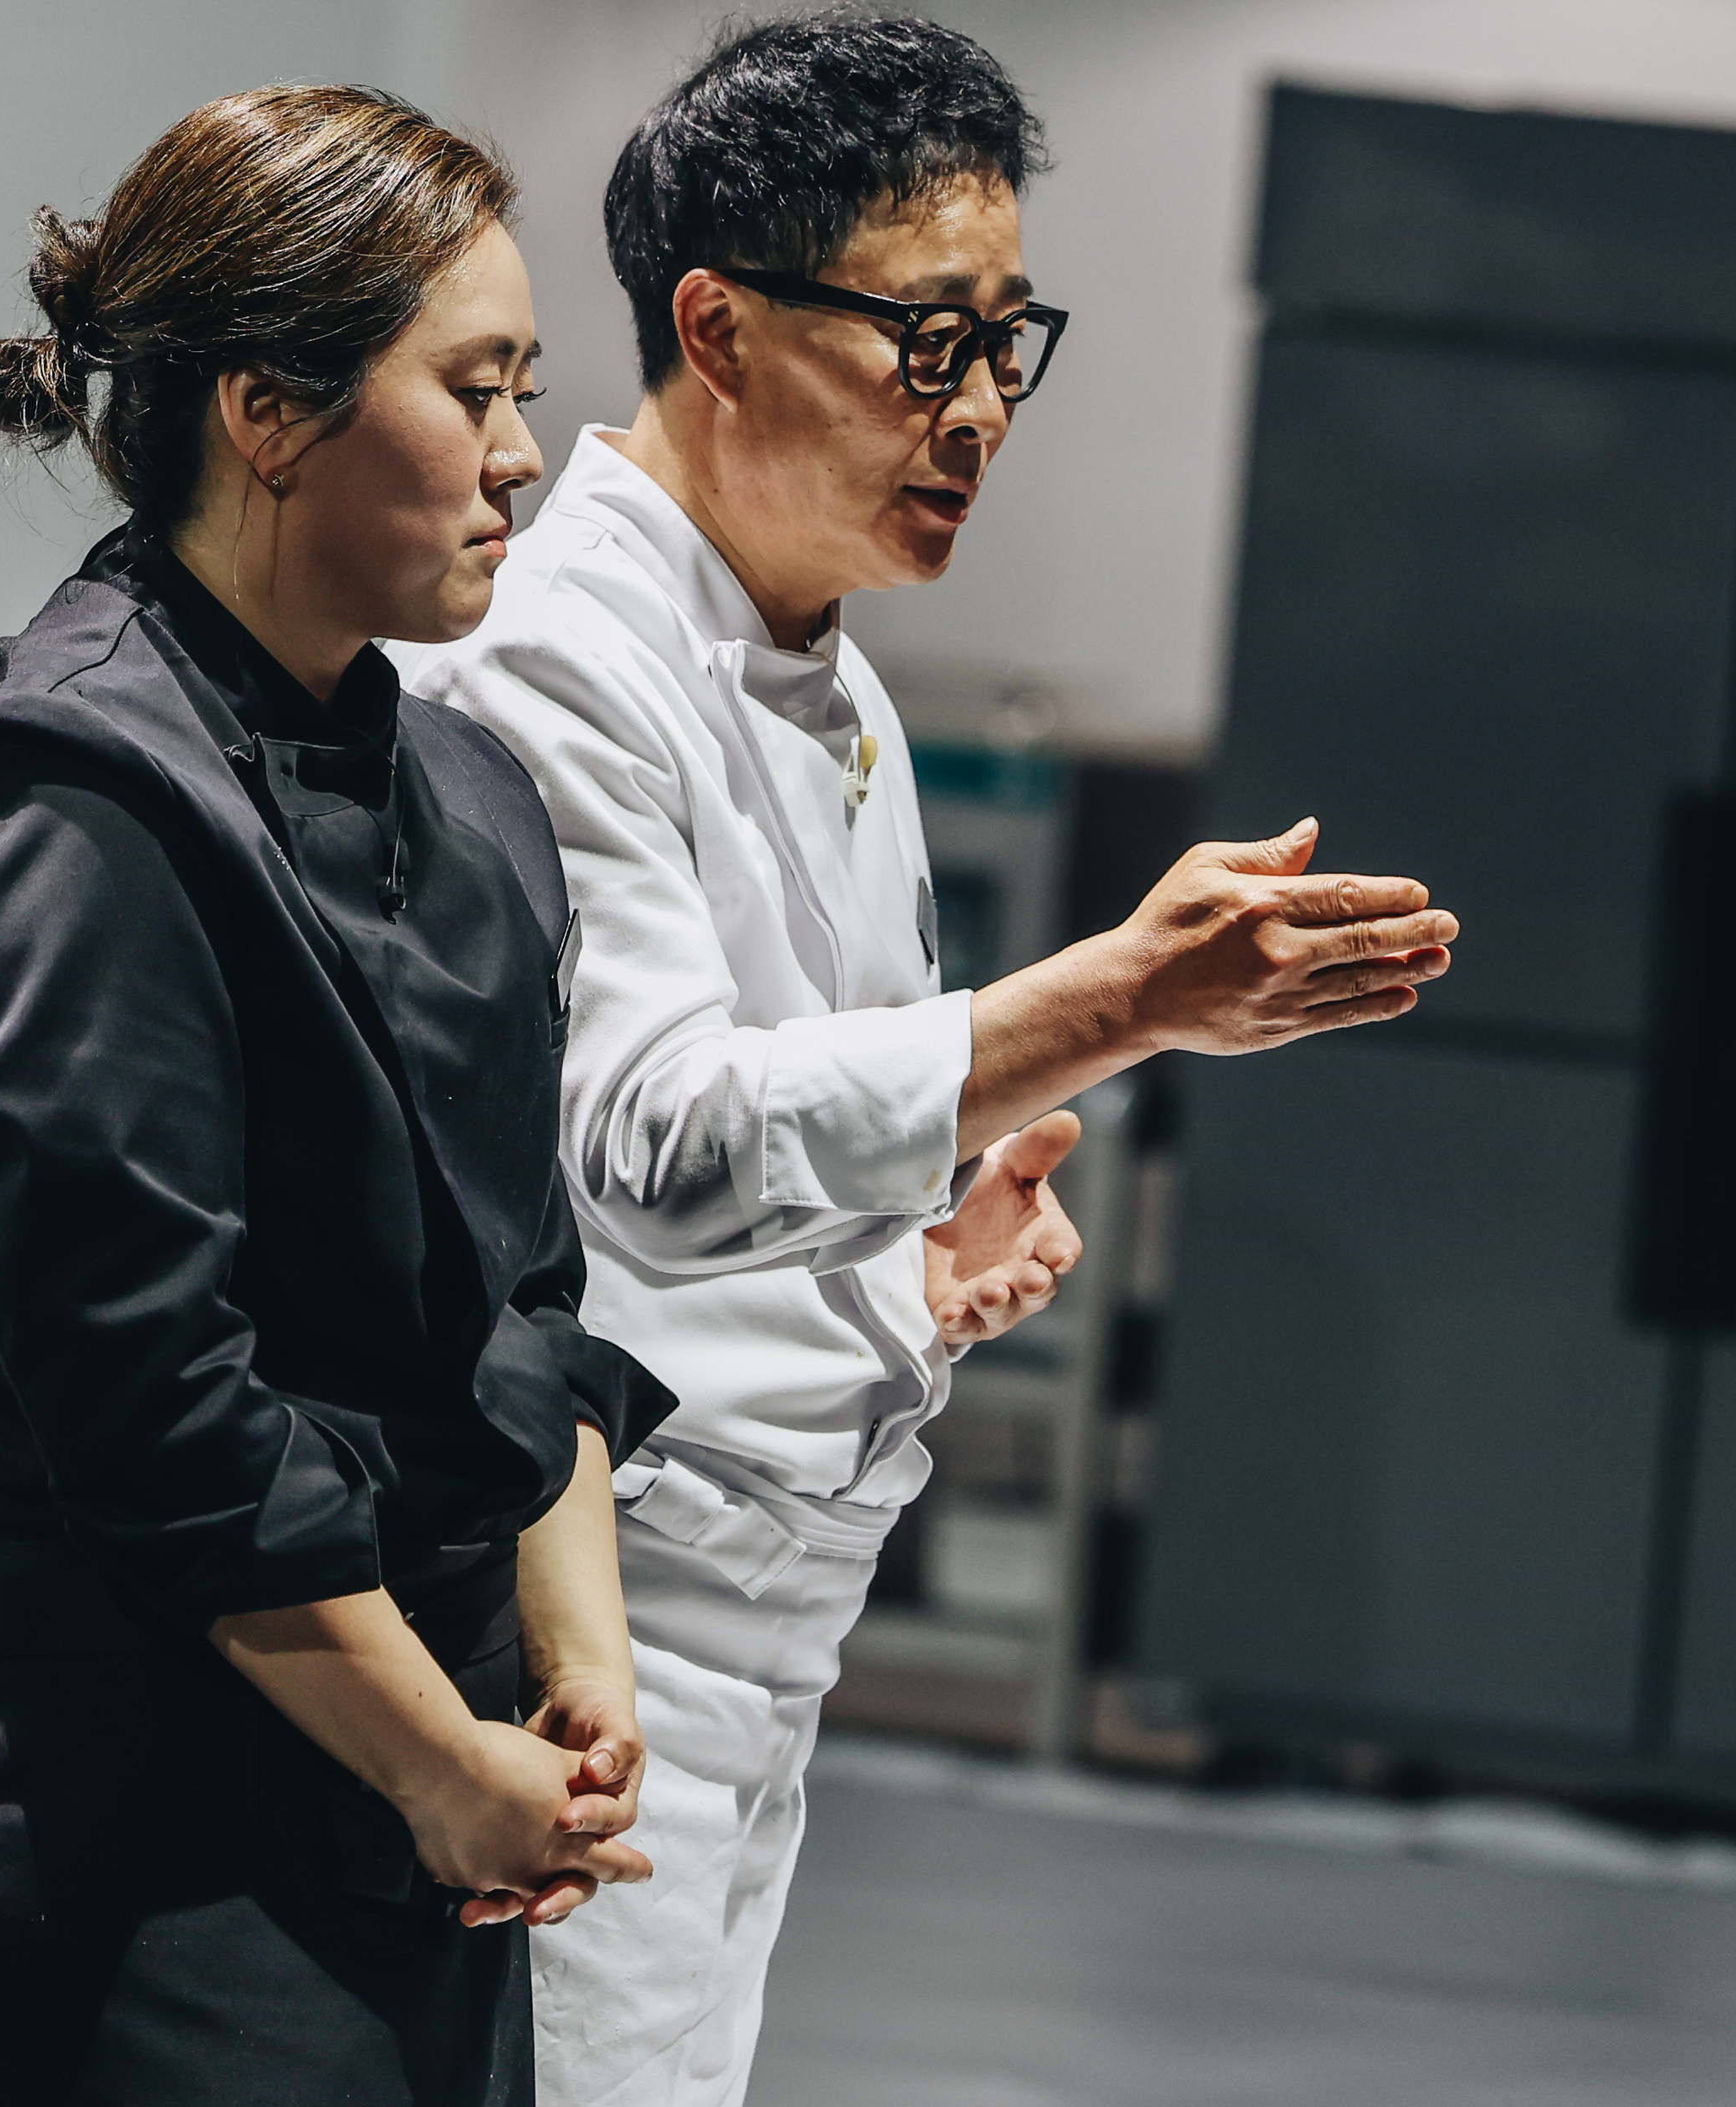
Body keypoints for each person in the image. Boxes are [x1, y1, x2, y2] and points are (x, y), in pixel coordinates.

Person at [400, 16, 1460, 2102]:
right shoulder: (557, 657)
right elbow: (647, 1145)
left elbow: (790, 1119)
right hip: (592, 1640)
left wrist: (905, 1268)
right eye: (924, 340)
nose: (978, 408)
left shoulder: (840, 679)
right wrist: (1119, 998)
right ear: (718, 323)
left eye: (1008, 343)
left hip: (772, 1636)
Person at [0, 85, 678, 2107]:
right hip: (130, 1798)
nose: (522, 457)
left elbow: (523, 1302)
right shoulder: (63, 795)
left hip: (424, 1782)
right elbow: (155, 1406)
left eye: (527, 388)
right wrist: (435, 1760)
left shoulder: (470, 799)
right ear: (267, 410)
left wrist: (577, 1677)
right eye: (472, 389)